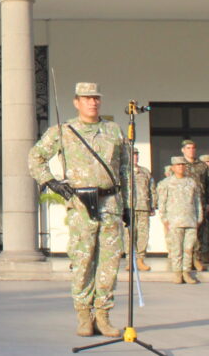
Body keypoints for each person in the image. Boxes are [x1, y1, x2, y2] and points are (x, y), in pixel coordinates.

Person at [29, 82, 128, 338]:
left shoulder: (114, 130)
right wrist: (50, 182)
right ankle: (84, 314)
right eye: (86, 98)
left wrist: (127, 204)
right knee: (83, 261)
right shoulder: (64, 131)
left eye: (96, 98)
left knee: (109, 263)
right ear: (76, 102)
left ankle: (103, 314)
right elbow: (36, 156)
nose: (92, 102)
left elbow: (124, 169)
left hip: (110, 203)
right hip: (81, 204)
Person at [158, 156, 203, 284]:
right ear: (173, 167)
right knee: (177, 248)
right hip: (174, 220)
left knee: (189, 248)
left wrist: (199, 217)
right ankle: (177, 273)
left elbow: (197, 201)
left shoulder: (191, 182)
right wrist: (164, 219)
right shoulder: (166, 183)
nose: (181, 167)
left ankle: (186, 272)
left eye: (183, 165)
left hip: (190, 219)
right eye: (178, 165)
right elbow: (162, 202)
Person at [124, 148, 156, 272]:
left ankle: (140, 259)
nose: (135, 157)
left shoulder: (145, 172)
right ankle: (129, 260)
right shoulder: (123, 171)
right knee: (129, 234)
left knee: (143, 234)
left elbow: (152, 189)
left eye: (137, 155)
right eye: (132, 155)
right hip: (128, 208)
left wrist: (153, 205)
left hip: (143, 207)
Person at [180, 140, 209, 271]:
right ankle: (186, 260)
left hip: (200, 203)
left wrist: (208, 203)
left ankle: (196, 258)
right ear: (183, 150)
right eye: (188, 148)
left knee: (199, 233)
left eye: (193, 148)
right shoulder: (179, 165)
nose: (191, 150)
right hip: (184, 204)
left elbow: (208, 186)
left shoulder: (202, 166)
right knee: (184, 233)